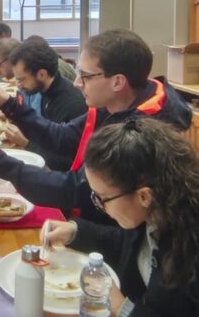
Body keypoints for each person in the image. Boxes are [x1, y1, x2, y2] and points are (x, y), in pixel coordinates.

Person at [0, 29, 191, 223]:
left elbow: (74, 189)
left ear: (118, 82)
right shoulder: (111, 106)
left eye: (85, 76)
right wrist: (9, 104)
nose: (77, 83)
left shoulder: (142, 133)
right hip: (92, 221)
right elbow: (62, 137)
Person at [43, 118, 199, 316]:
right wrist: (75, 232)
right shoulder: (156, 211)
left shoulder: (188, 247)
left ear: (144, 196)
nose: (99, 205)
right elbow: (127, 244)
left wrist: (122, 308)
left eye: (102, 198)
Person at [2, 39, 87, 170]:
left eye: (22, 80)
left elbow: (68, 163)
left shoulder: (72, 103)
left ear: (42, 74)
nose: (19, 85)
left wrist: (26, 143)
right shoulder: (45, 90)